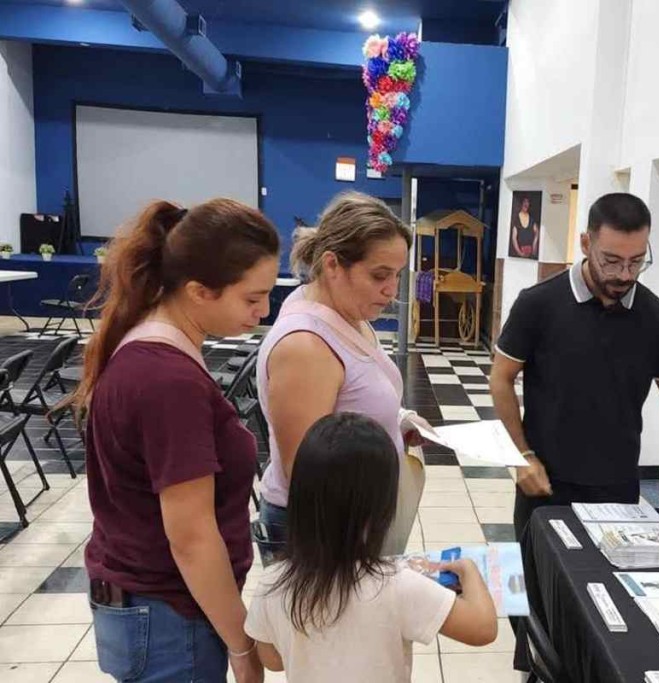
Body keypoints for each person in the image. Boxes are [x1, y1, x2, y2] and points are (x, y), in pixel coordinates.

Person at [73, 199, 280, 682]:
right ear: (198, 292)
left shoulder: (157, 349)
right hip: (169, 615)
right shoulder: (167, 379)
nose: (263, 312)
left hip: (156, 605)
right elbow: (190, 536)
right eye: (251, 299)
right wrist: (241, 645)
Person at [490, 192, 659, 541]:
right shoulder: (537, 304)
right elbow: (501, 378)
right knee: (541, 590)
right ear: (586, 243)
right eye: (612, 261)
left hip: (617, 487)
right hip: (544, 484)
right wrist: (521, 455)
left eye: (636, 262)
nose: (624, 274)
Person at [245, 412, 498, 681]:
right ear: (381, 510)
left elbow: (272, 660)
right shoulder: (397, 585)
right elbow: (482, 628)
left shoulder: (273, 582)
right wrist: (469, 570)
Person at [256, 191, 430, 560]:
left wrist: (396, 422)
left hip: (355, 521)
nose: (391, 290)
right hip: (324, 535)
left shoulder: (344, 312)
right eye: (380, 275)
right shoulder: (305, 346)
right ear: (332, 265)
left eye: (397, 275)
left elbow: (351, 401)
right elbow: (304, 471)